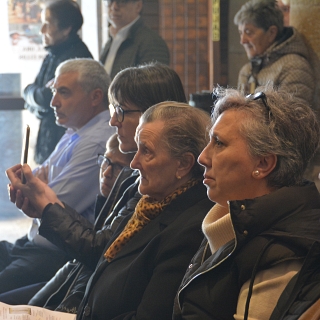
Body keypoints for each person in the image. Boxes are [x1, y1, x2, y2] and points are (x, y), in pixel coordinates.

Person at [7, 101, 212, 320]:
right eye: (137, 148)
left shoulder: (188, 230)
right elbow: (103, 247)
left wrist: (47, 206)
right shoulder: (148, 202)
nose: (134, 163)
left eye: (147, 152)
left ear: (183, 164)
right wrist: (46, 203)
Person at [173, 86, 320, 320]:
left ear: (262, 164)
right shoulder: (230, 218)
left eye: (219, 143)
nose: (202, 157)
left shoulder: (283, 253)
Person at [0, 58, 114, 295]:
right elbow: (39, 183)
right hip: (35, 242)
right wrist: (39, 184)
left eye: (63, 92)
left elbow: (47, 204)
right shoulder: (75, 130)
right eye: (54, 91)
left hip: (57, 252)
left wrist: (39, 186)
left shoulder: (95, 141)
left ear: (95, 97)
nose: (53, 102)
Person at [0, 133, 133, 304]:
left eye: (119, 168)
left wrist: (45, 205)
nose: (106, 172)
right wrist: (46, 205)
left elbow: (96, 247)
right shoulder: (71, 134)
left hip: (57, 257)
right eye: (105, 161)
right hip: (67, 262)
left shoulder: (131, 208)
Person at [24, 0, 93, 164]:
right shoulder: (52, 54)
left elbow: (47, 98)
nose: (41, 31)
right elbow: (28, 92)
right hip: (47, 145)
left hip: (66, 148)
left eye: (47, 24)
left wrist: (39, 99)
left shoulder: (76, 58)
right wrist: (39, 102)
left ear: (66, 29)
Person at [235, 0, 314, 107]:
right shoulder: (247, 70)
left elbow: (292, 120)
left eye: (249, 32)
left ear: (271, 33)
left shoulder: (294, 68)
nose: (242, 40)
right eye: (240, 33)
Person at [100, 0, 170, 79]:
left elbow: (154, 86)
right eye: (110, 1)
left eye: (121, 2)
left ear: (138, 6)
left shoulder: (152, 42)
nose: (114, 7)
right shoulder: (112, 39)